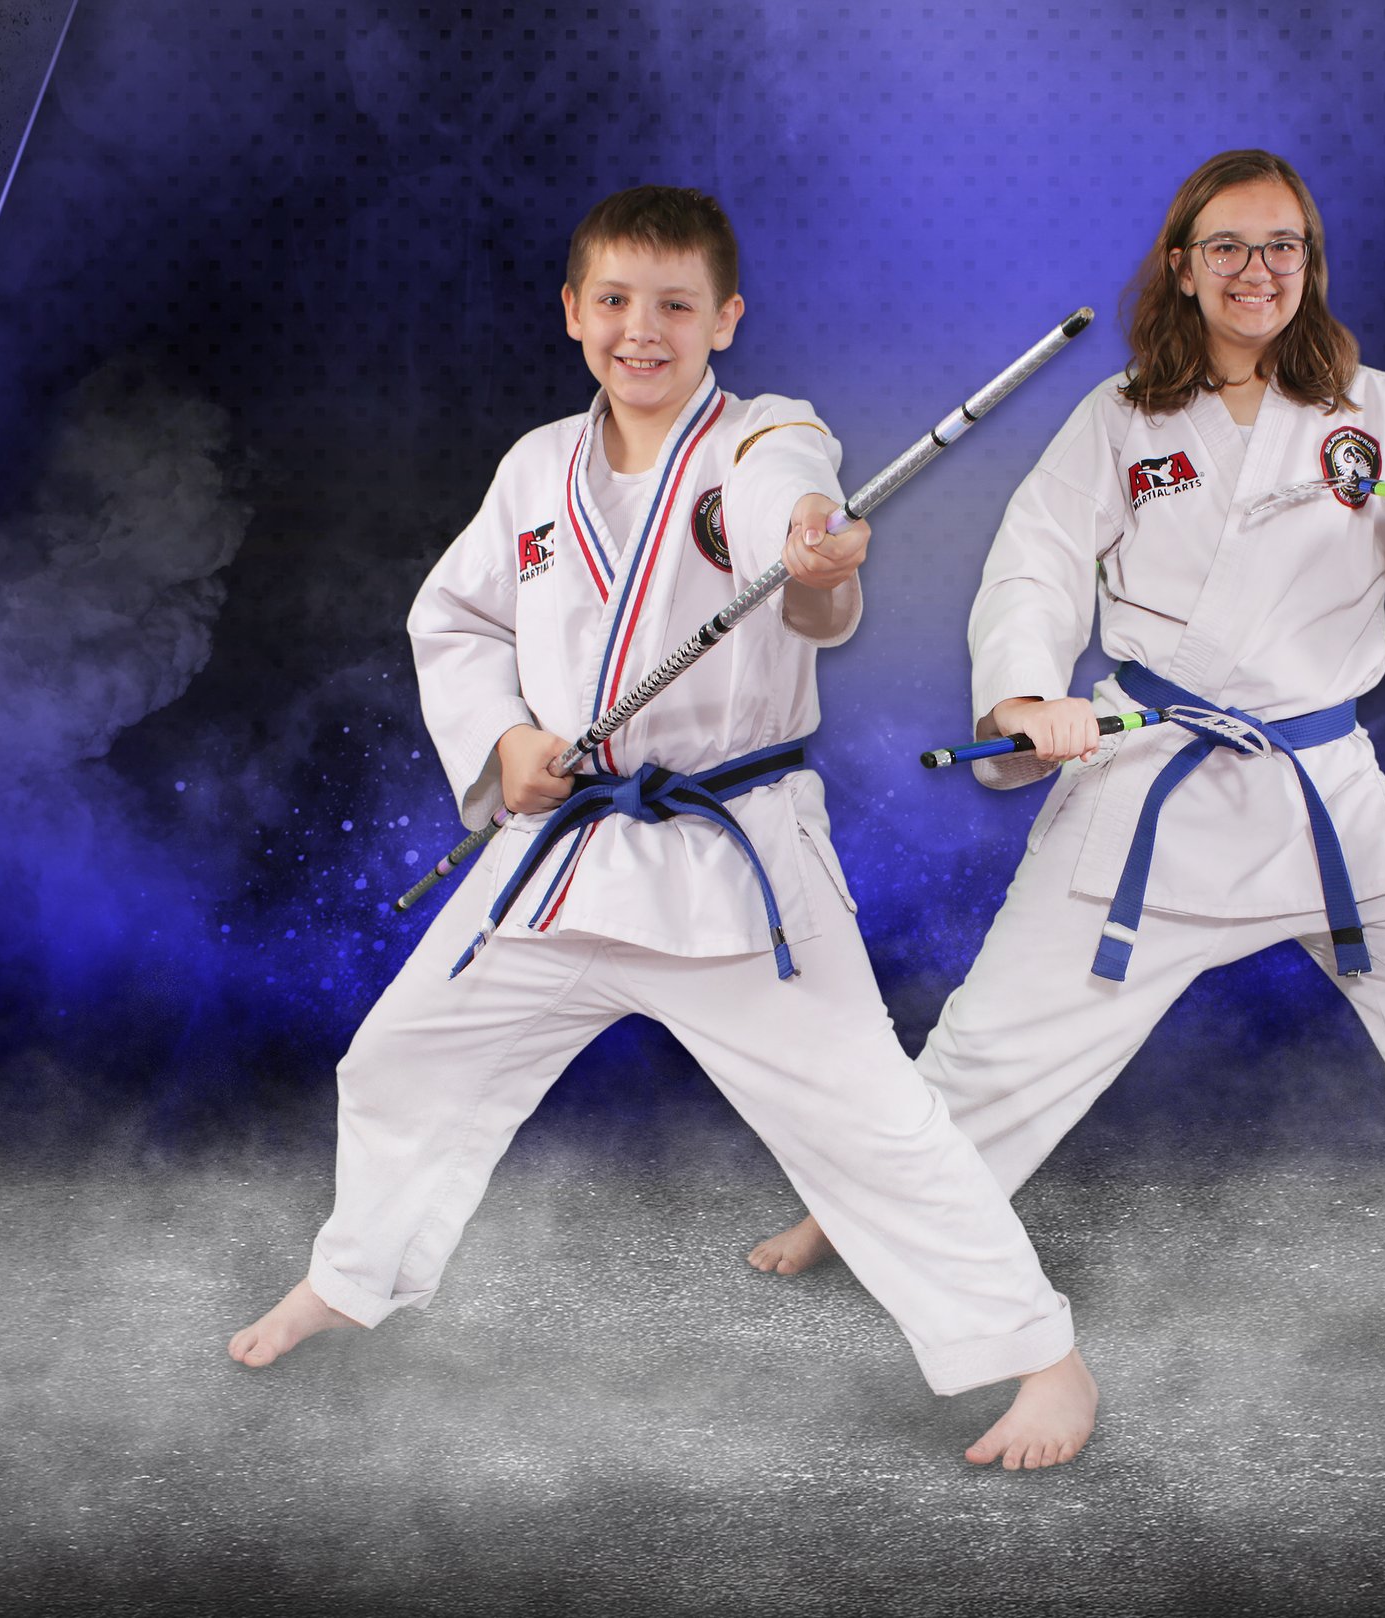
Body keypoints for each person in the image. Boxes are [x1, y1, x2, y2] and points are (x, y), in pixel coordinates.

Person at [230, 185, 1099, 1468]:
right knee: (400, 1060)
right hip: (568, 852)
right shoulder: (536, 469)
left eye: (676, 306)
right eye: (617, 302)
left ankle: (1044, 1359)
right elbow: (458, 622)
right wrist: (508, 745)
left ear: (724, 319)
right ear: (575, 311)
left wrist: (815, 554)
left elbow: (787, 521)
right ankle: (351, 1276)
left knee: (868, 1119)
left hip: (727, 861)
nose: (644, 330)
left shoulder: (765, 443)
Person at [749, 151, 1385, 1385]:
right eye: (1226, 246)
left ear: (1309, 266)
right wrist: (1025, 697)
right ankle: (849, 1213)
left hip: (1324, 795)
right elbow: (1035, 561)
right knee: (993, 1050)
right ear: (1183, 265)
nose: (1255, 270)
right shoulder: (1119, 418)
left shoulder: (1371, 413)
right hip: (1148, 788)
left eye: (1282, 247)